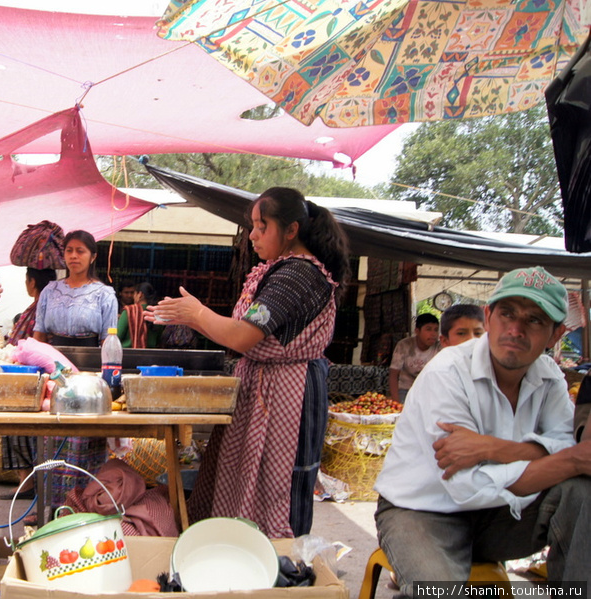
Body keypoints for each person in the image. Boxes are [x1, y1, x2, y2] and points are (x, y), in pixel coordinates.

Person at [374, 266, 591, 595]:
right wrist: (569, 459)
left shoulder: (549, 377)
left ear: (556, 334)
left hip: (498, 515)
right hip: (422, 511)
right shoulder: (447, 373)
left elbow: (565, 451)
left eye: (534, 320)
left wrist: (490, 448)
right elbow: (466, 486)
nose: (516, 330)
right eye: (507, 314)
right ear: (488, 317)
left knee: (581, 491)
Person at [147, 187, 350, 538]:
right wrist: (191, 317)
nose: (253, 235)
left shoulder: (297, 274)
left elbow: (242, 336)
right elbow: (239, 333)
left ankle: (280, 566)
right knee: (247, 477)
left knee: (279, 482)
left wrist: (197, 313)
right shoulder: (280, 270)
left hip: (289, 393)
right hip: (264, 386)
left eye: (262, 226)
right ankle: (241, 553)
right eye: (252, 226)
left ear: (292, 230)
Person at [34, 230, 119, 508]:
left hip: (89, 374)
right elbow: (39, 337)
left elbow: (109, 342)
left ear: (93, 256)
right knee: (51, 438)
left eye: (80, 251)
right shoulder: (50, 291)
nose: (73, 256)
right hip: (54, 371)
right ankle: (48, 506)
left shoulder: (104, 294)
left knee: (84, 442)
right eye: (69, 250)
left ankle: (84, 505)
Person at [0, 267, 57, 501]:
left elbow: (30, 342)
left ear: (31, 282)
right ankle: (30, 481)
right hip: (38, 375)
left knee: (19, 427)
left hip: (32, 378)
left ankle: (28, 482)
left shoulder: (38, 309)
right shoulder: (42, 307)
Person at [388, 313, 440, 403]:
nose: (433, 334)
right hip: (406, 389)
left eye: (436, 330)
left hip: (430, 390)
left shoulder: (440, 347)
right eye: (428, 329)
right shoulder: (404, 345)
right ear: (417, 331)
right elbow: (393, 374)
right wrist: (396, 403)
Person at [117, 281, 161, 349]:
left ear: (140, 294)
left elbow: (117, 335)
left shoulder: (129, 311)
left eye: (134, 293)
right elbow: (160, 338)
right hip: (151, 354)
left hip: (128, 353)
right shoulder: (158, 313)